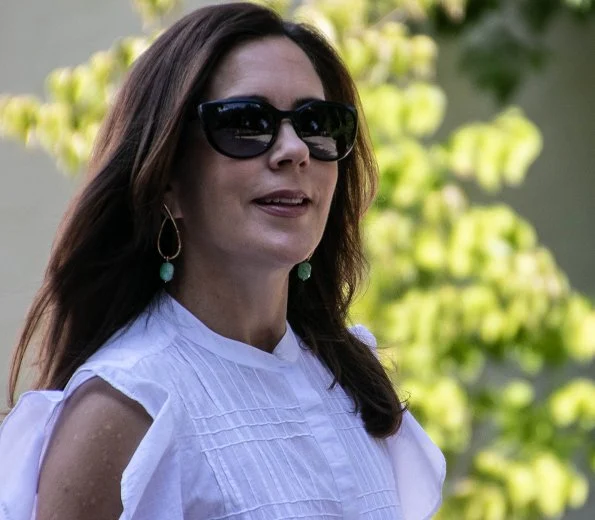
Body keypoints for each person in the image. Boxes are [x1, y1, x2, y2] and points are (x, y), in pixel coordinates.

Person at [0, 3, 445, 519]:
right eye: (247, 123)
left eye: (317, 122)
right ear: (167, 180)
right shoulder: (126, 407)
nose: (294, 149)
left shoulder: (351, 381)